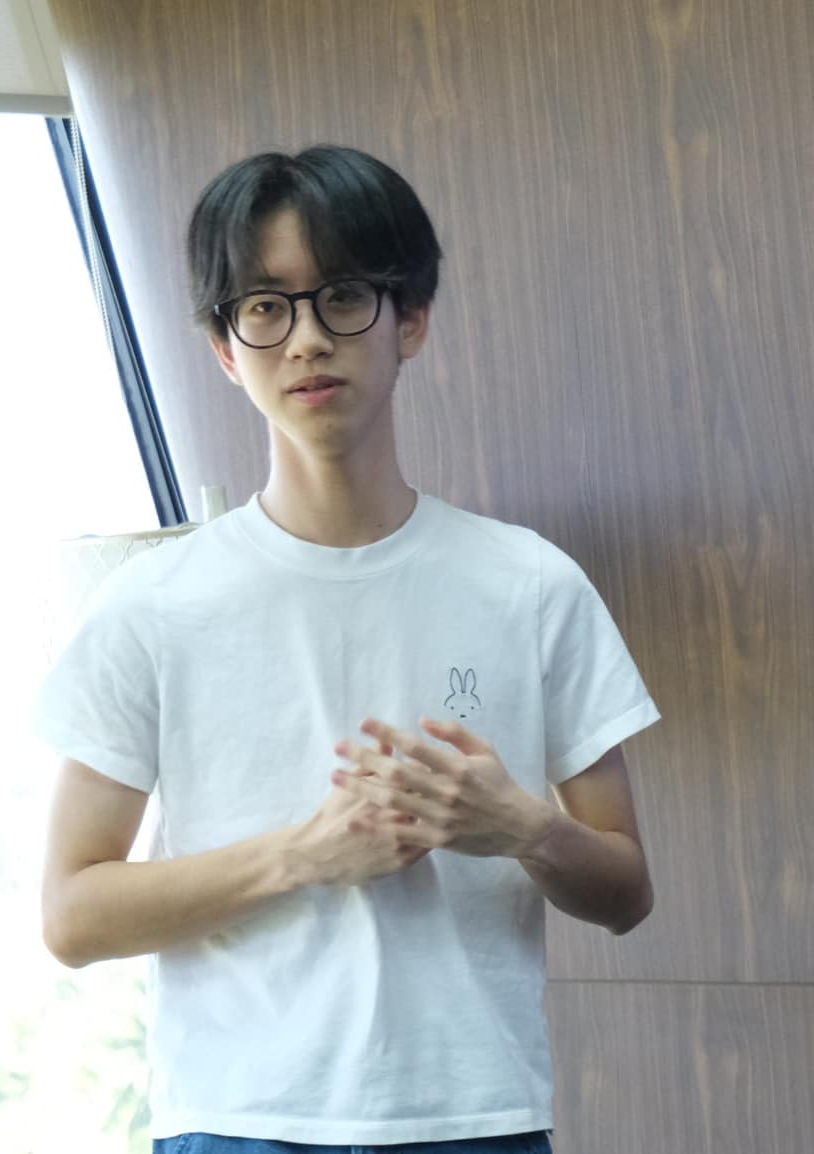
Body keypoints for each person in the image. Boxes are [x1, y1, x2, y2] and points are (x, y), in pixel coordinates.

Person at [35, 145, 660, 1154]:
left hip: (476, 1122)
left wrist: (521, 827)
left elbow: (626, 892)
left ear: (409, 318)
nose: (307, 338)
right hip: (236, 1125)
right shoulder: (150, 606)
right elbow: (71, 914)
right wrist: (304, 854)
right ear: (224, 348)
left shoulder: (530, 582)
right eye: (265, 306)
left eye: (341, 297)